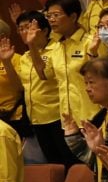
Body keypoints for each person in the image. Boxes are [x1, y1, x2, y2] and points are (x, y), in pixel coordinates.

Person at [8, 11, 77, 165]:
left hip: (58, 116)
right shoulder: (25, 57)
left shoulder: (58, 49)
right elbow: (18, 88)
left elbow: (45, 75)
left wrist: (32, 45)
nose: (25, 32)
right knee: (53, 164)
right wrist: (6, 63)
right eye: (21, 29)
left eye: (29, 27)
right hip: (36, 118)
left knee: (70, 161)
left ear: (45, 30)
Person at [45, 0, 100, 124]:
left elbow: (104, 77)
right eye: (49, 16)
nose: (52, 20)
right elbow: (46, 75)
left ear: (73, 17)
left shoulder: (91, 42)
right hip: (68, 119)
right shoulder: (56, 47)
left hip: (92, 116)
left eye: (56, 15)